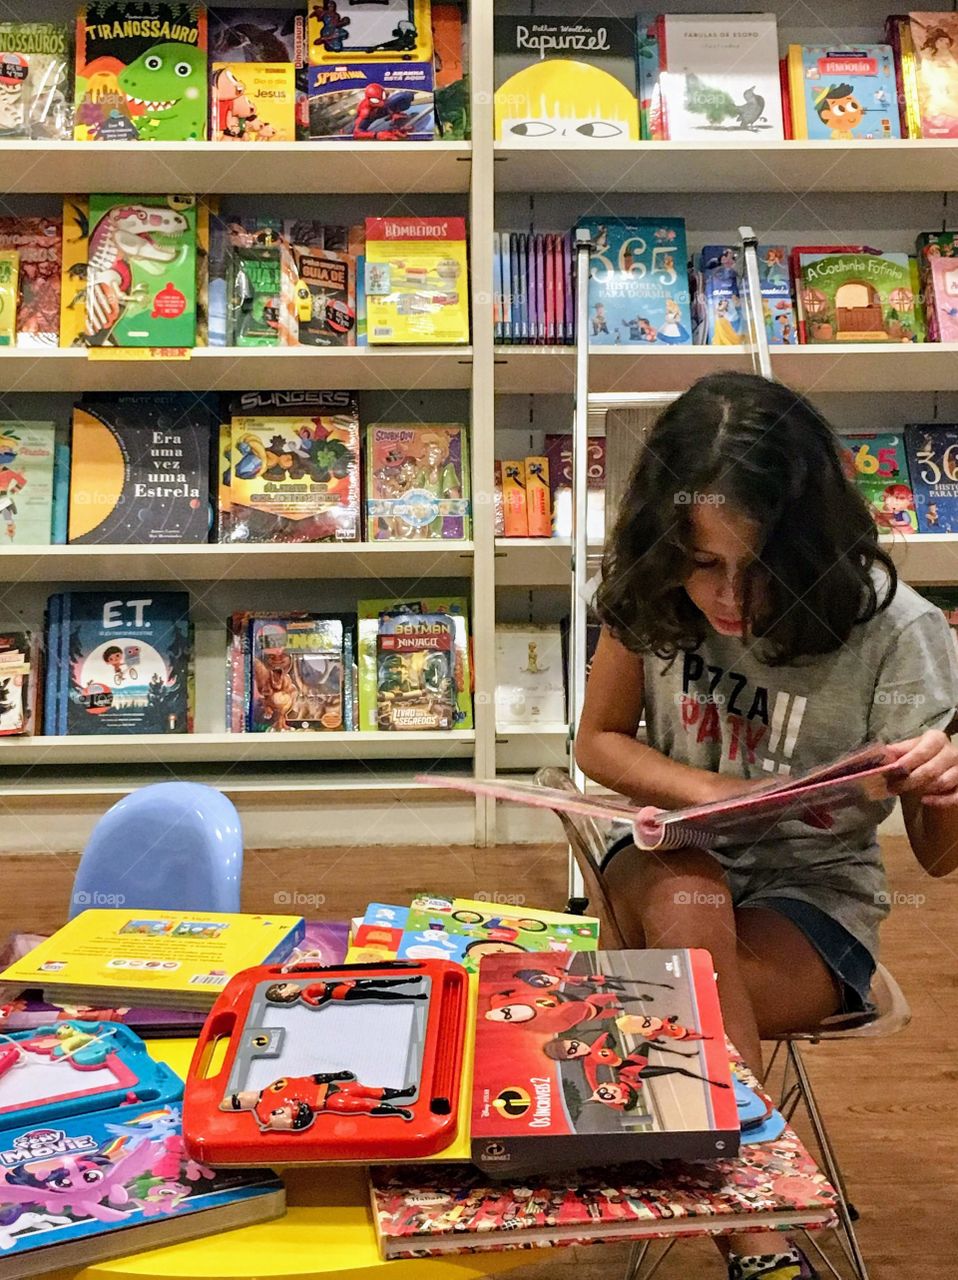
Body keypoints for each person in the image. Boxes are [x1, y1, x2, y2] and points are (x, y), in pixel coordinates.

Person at [574, 372, 958, 1280]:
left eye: (759, 567)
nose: (729, 599)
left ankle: (722, 1187)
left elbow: (940, 861)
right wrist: (704, 793)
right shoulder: (650, 589)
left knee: (673, 986)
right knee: (688, 892)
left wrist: (948, 785)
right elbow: (597, 743)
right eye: (703, 563)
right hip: (666, 859)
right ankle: (761, 1225)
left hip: (811, 904)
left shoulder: (895, 631)